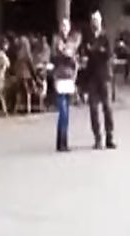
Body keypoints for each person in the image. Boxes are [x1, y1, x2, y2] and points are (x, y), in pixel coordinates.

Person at [83, 11, 116, 149]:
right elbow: (86, 54)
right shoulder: (88, 37)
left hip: (104, 76)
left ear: (101, 21)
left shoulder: (106, 36)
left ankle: (109, 137)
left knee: (107, 107)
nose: (95, 22)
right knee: (93, 109)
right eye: (93, 20)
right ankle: (97, 138)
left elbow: (109, 53)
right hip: (92, 77)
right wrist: (96, 51)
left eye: (97, 20)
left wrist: (95, 51)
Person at [52, 18, 81, 152]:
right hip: (59, 77)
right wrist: (64, 53)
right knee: (63, 111)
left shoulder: (71, 41)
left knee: (67, 112)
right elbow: (55, 56)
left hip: (69, 78)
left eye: (66, 26)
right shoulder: (56, 40)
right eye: (62, 25)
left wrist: (71, 56)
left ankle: (63, 142)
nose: (64, 28)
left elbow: (74, 58)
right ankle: (61, 141)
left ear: (69, 28)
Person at [13, 36, 38, 114]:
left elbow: (15, 65)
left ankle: (17, 108)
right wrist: (35, 76)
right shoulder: (27, 54)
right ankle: (28, 108)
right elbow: (31, 66)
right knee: (28, 92)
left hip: (19, 75)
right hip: (27, 75)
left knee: (19, 91)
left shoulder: (18, 54)